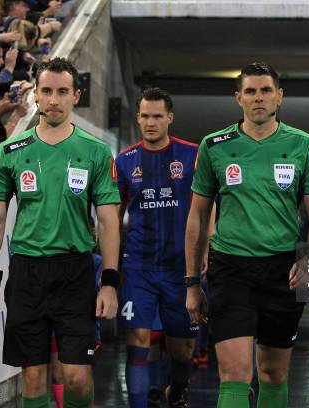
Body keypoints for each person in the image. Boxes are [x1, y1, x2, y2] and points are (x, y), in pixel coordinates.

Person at [185, 62, 309, 408]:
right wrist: (192, 282)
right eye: (250, 91)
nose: (258, 98)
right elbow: (197, 215)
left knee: (272, 374)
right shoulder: (214, 146)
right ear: (238, 98)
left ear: (279, 97)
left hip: (282, 271)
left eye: (266, 90)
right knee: (234, 375)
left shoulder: (303, 145)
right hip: (230, 269)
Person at [0, 58, 121, 408]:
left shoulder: (97, 153)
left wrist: (110, 282)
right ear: (36, 96)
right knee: (33, 378)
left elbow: (108, 221)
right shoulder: (10, 152)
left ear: (76, 96)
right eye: (46, 91)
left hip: (76, 273)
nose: (53, 99)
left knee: (76, 377)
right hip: (27, 273)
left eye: (61, 92)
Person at [115, 87, 199, 408]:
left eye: (157, 116)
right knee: (137, 340)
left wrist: (204, 252)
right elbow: (114, 215)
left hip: (181, 269)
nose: (150, 122)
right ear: (138, 118)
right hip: (139, 266)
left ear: (170, 118)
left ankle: (174, 394)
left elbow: (206, 208)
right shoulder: (124, 161)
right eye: (145, 116)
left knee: (183, 351)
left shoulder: (193, 155)